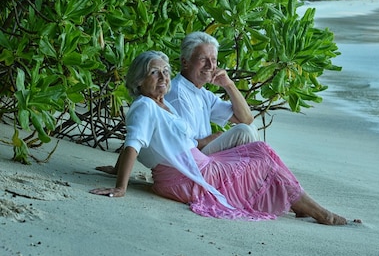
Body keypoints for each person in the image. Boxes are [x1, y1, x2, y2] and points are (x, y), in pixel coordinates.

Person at [90, 51, 349, 225]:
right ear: (139, 80)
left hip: (194, 167)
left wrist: (115, 168)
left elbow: (139, 143)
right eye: (155, 72)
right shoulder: (145, 106)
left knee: (259, 150)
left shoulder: (160, 105)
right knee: (264, 162)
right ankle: (318, 212)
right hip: (188, 177)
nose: (163, 77)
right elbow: (134, 142)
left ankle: (299, 203)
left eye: (166, 72)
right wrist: (120, 187)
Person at [165, 32, 258, 155]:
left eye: (213, 60)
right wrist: (214, 138)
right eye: (203, 59)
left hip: (202, 154)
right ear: (185, 62)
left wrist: (229, 85)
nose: (210, 65)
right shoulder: (178, 93)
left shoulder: (202, 93)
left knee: (251, 128)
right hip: (191, 161)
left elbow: (246, 119)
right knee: (244, 132)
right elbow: (185, 146)